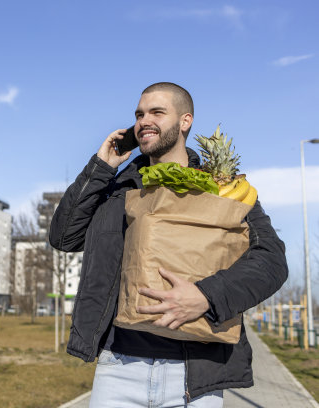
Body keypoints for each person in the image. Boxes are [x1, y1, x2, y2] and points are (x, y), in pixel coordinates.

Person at [49, 82, 288, 407]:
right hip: (117, 367)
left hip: (195, 374)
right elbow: (64, 237)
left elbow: (271, 260)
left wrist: (207, 296)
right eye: (139, 114)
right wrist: (101, 167)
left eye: (157, 112)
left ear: (185, 121)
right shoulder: (117, 187)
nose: (144, 120)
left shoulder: (224, 189)